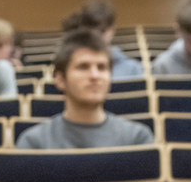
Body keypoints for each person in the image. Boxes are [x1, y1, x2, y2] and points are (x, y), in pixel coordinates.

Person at [18, 30, 157, 149]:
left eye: (101, 67)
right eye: (83, 67)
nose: (95, 75)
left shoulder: (137, 139)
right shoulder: (34, 143)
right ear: (60, 80)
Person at [76, 0, 143, 77]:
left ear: (112, 30)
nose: (96, 36)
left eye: (102, 31)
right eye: (90, 30)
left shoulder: (132, 68)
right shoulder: (71, 66)